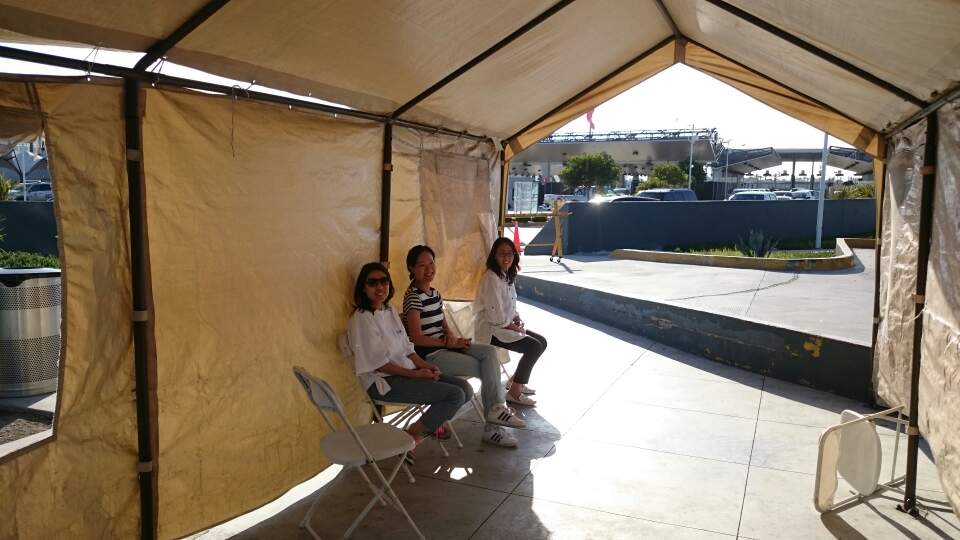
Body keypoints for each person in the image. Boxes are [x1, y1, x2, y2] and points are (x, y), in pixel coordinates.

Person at [402, 245, 524, 448]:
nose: (429, 269)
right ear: (411, 268)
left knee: (489, 353)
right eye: (422, 265)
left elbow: (443, 325)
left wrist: (453, 339)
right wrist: (446, 342)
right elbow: (416, 338)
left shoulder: (434, 293)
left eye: (431, 263)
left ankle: (496, 412)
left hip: (446, 347)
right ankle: (492, 428)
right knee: (484, 368)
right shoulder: (413, 297)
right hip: (429, 356)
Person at [346, 262, 470, 449]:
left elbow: (407, 349)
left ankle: (425, 427)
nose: (380, 287)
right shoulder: (361, 319)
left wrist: (426, 366)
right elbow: (380, 364)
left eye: (384, 281)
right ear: (363, 288)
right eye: (372, 283)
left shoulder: (389, 311)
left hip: (407, 373)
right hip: (384, 383)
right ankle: (411, 436)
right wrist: (416, 374)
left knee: (465, 389)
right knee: (455, 395)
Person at [474, 237, 547, 407]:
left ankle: (515, 381)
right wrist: (514, 327)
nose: (506, 257)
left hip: (504, 325)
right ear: (494, 256)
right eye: (502, 253)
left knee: (541, 342)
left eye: (510, 253)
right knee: (534, 347)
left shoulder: (506, 275)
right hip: (491, 330)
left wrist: (516, 318)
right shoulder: (491, 278)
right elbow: (496, 317)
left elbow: (510, 305)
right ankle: (514, 393)